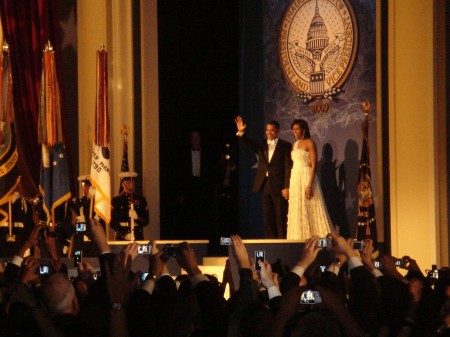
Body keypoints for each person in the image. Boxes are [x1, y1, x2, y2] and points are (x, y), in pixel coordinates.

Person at [235, 116, 292, 238]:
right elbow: (249, 144)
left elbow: (288, 168)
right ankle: (271, 243)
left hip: (279, 186)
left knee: (280, 215)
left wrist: (287, 186)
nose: (269, 133)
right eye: (267, 130)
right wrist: (241, 132)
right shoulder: (261, 144)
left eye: (271, 130)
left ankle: (282, 243)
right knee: (267, 215)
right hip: (264, 184)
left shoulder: (285, 146)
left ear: (278, 131)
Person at [286, 119, 332, 240]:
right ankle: (298, 238)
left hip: (307, 177)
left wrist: (309, 185)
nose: (294, 132)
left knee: (311, 207)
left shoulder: (309, 143)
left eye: (297, 129)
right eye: (293, 130)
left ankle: (317, 240)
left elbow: (314, 165)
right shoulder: (294, 145)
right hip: (295, 178)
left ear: (304, 130)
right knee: (298, 208)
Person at [110, 172, 149, 240]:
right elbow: (113, 223)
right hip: (122, 235)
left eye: (132, 181)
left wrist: (137, 218)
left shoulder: (141, 199)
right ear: (122, 183)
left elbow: (146, 221)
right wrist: (124, 235)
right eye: (127, 181)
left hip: (137, 235)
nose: (130, 183)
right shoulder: (117, 200)